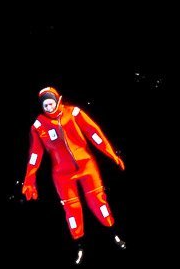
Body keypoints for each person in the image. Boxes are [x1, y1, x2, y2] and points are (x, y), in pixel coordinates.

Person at [22, 87, 125, 250]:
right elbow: (35, 154)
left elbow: (94, 134)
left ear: (58, 100)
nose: (49, 108)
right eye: (45, 105)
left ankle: (113, 233)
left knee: (98, 202)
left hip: (86, 166)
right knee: (72, 209)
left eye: (51, 103)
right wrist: (29, 179)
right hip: (62, 174)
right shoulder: (38, 126)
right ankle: (79, 245)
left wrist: (111, 154)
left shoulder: (74, 113)